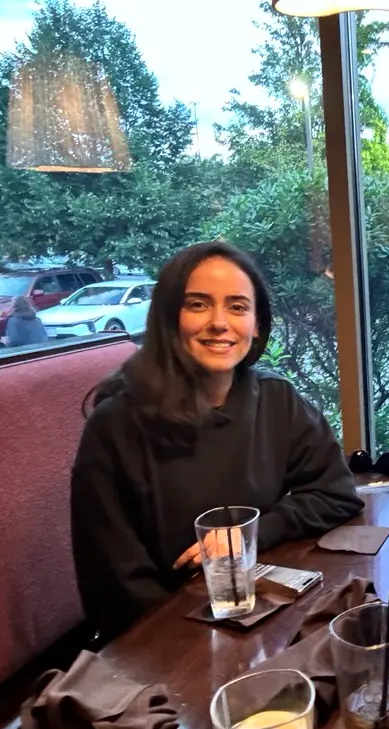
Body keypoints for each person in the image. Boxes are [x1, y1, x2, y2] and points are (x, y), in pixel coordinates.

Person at [71, 241, 363, 640]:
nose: (219, 323)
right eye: (198, 305)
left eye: (238, 307)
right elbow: (114, 587)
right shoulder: (116, 425)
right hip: (163, 638)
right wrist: (200, 646)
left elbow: (336, 495)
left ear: (257, 325)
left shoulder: (276, 400)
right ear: (168, 319)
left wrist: (251, 535)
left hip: (257, 616)